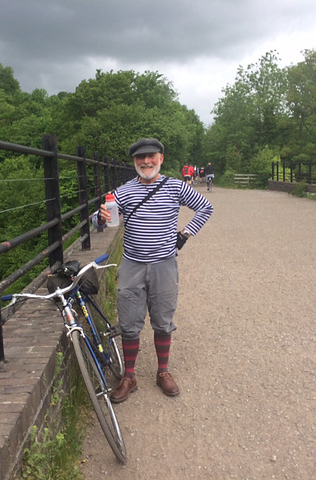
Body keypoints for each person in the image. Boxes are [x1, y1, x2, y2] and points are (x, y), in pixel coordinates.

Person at [92, 138, 213, 403]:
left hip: (164, 265)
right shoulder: (123, 192)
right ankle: (130, 376)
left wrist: (185, 234)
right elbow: (99, 221)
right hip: (132, 265)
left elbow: (206, 207)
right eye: (140, 158)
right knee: (129, 322)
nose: (146, 161)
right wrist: (99, 217)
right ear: (134, 162)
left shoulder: (175, 186)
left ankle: (163, 372)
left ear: (161, 158)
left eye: (151, 156)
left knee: (163, 320)